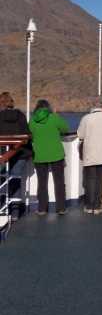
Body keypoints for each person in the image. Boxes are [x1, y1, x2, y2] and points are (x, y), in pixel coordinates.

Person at [29, 99, 69, 215]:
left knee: (41, 181)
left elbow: (30, 132)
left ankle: (41, 209)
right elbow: (65, 128)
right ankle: (61, 208)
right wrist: (56, 115)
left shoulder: (32, 120)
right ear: (50, 108)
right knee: (59, 181)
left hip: (39, 154)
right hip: (56, 153)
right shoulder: (54, 118)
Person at [78, 95, 102, 214]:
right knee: (99, 179)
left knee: (89, 179)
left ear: (92, 105)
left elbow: (80, 135)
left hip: (90, 152)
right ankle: (97, 206)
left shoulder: (86, 118)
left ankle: (89, 206)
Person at [0, 92, 32, 220]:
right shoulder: (21, 116)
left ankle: (2, 211)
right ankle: (14, 213)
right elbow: (27, 134)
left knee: (2, 181)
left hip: (2, 154)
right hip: (20, 154)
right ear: (12, 102)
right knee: (15, 181)